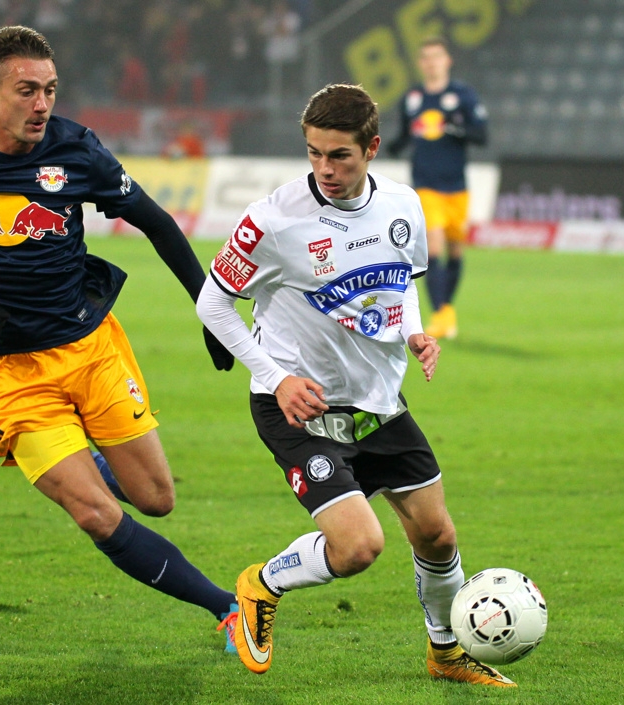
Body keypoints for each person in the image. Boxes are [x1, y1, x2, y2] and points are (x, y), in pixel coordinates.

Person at [0, 25, 240, 648]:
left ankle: (89, 455)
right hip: (7, 373)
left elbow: (157, 223)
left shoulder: (77, 150)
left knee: (155, 499)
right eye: (26, 91)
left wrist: (210, 311)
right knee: (97, 512)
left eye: (50, 90)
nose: (42, 104)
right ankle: (230, 609)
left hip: (90, 349)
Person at [197, 84, 515, 687]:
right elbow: (212, 303)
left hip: (377, 403)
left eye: (338, 155)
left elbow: (401, 282)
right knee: (359, 548)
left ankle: (446, 654)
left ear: (371, 148)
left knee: (437, 534)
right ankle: (261, 585)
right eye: (313, 154)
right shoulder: (274, 219)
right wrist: (275, 377)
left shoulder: (403, 205)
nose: (324, 170)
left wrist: (414, 334)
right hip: (297, 408)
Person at [386, 36, 487, 340]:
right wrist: (389, 146)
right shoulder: (412, 98)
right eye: (426, 57)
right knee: (436, 247)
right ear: (420, 63)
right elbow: (404, 136)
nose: (431, 62)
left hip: (456, 186)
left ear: (447, 61)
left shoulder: (463, 96)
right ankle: (440, 313)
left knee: (456, 249)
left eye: (436, 57)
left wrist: (453, 129)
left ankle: (446, 310)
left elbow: (481, 136)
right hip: (425, 186)